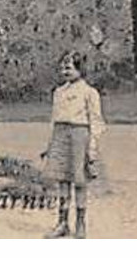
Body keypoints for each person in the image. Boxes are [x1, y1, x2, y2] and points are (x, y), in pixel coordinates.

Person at [41, 50, 105, 239]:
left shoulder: (89, 93)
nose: (65, 71)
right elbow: (54, 119)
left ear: (80, 68)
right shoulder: (58, 92)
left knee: (79, 180)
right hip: (60, 135)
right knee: (62, 179)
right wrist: (49, 144)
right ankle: (62, 223)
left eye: (69, 67)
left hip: (79, 134)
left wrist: (91, 148)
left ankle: (80, 222)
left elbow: (96, 121)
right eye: (62, 67)